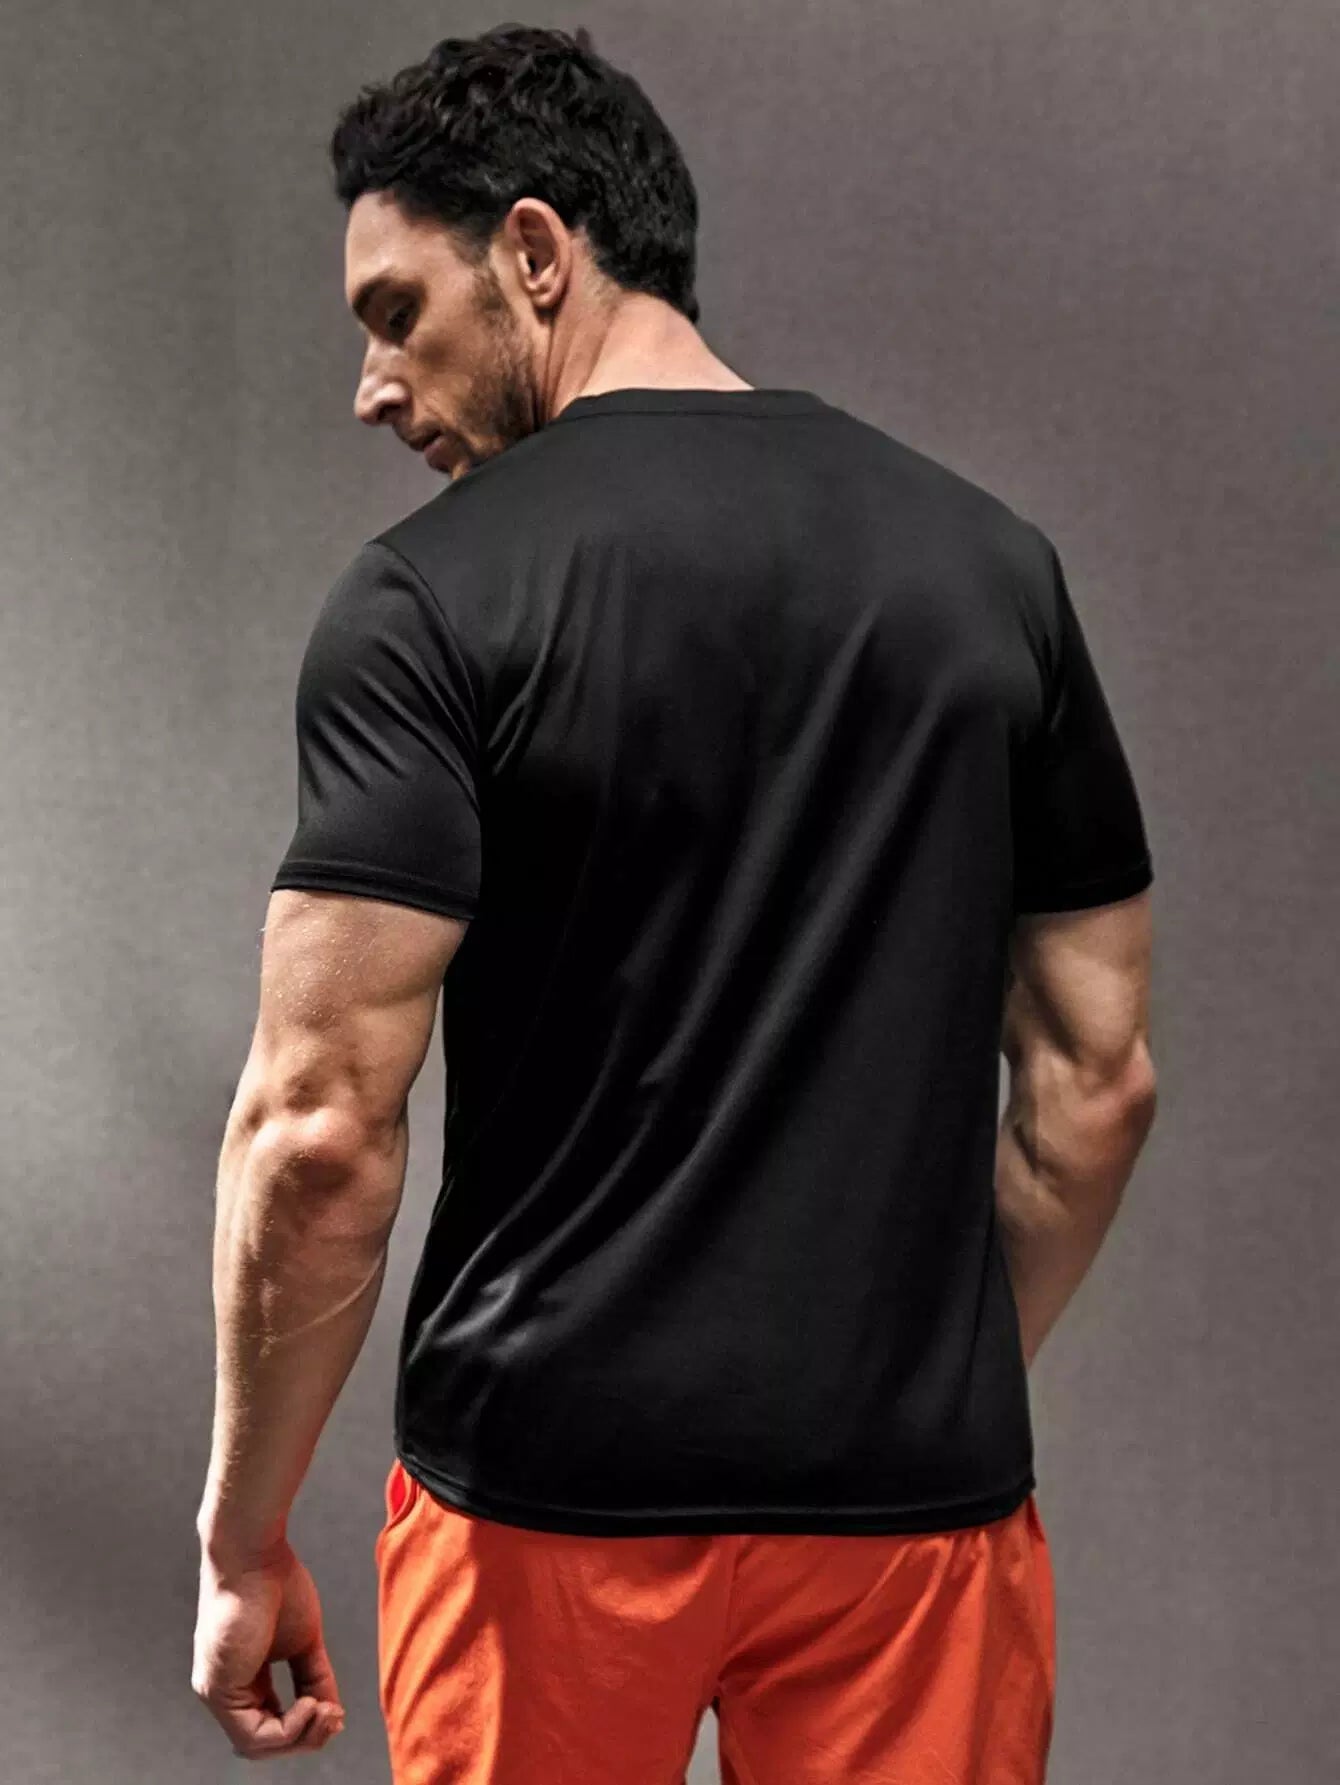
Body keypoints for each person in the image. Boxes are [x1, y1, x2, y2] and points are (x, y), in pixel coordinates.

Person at [193, 23, 1157, 1783]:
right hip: (909, 1514)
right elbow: (1096, 1083)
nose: (372, 388)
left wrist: (242, 1533)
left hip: (541, 1501)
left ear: (536, 253)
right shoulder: (992, 572)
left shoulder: (428, 603)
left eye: (396, 313)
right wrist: (913, 1381)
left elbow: (318, 1128)